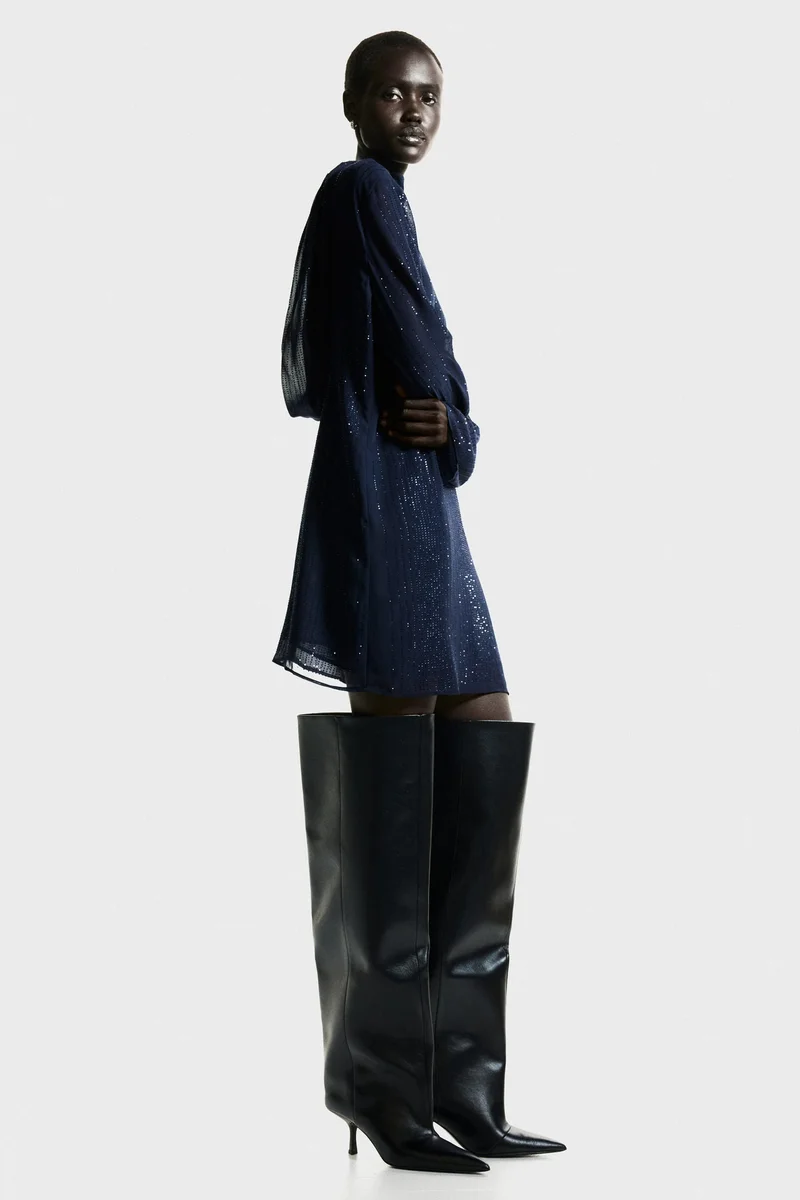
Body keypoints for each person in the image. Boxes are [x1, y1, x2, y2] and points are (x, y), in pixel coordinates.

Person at [275, 31, 566, 1173]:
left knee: (482, 745)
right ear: (351, 102)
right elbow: (412, 364)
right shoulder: (358, 190)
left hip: (428, 517)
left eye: (430, 95)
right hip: (384, 507)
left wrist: (457, 427)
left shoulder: (385, 202)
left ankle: (464, 1085)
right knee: (389, 797)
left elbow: (439, 391)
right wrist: (456, 423)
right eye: (392, 93)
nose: (413, 111)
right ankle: (383, 1092)